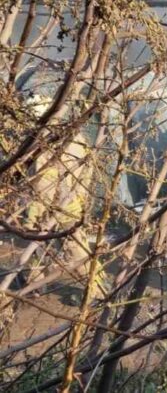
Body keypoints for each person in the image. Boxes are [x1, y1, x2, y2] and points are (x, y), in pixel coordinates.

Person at [14, 93, 107, 301]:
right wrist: (82, 200)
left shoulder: (43, 145)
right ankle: (98, 286)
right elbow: (88, 172)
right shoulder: (76, 137)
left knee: (43, 244)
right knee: (76, 247)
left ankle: (97, 291)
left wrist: (32, 215)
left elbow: (42, 184)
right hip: (73, 201)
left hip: (51, 206)